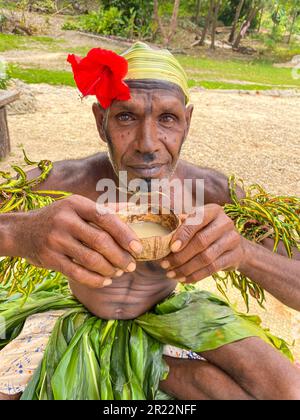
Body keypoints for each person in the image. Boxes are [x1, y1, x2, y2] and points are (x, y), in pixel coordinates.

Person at [0, 42, 299, 400]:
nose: (148, 143)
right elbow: (14, 228)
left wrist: (244, 252)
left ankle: (150, 365)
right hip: (74, 314)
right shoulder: (63, 182)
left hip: (173, 318)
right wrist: (20, 233)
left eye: (167, 119)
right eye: (126, 116)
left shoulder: (210, 191)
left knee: (289, 390)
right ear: (101, 121)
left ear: (187, 123)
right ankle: (137, 365)